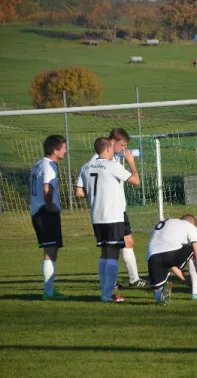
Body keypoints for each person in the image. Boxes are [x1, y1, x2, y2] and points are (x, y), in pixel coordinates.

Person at [76, 128, 147, 288]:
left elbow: (79, 191)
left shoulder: (88, 164)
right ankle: (111, 285)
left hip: (106, 212)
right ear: (111, 143)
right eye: (122, 145)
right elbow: (136, 181)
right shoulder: (106, 162)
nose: (124, 149)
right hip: (112, 213)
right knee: (111, 251)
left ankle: (133, 279)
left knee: (127, 242)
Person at [30, 135, 69, 300]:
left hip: (37, 211)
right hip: (45, 213)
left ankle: (49, 290)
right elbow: (47, 188)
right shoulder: (49, 166)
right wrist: (50, 206)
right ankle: (48, 292)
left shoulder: (38, 164)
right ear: (55, 150)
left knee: (50, 251)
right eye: (64, 147)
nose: (66, 150)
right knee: (50, 252)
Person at [146, 215, 197, 305]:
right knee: (193, 251)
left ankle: (160, 295)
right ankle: (196, 292)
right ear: (193, 224)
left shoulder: (168, 223)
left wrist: (185, 279)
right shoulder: (191, 227)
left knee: (157, 290)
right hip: (171, 254)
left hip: (152, 257)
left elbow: (172, 265)